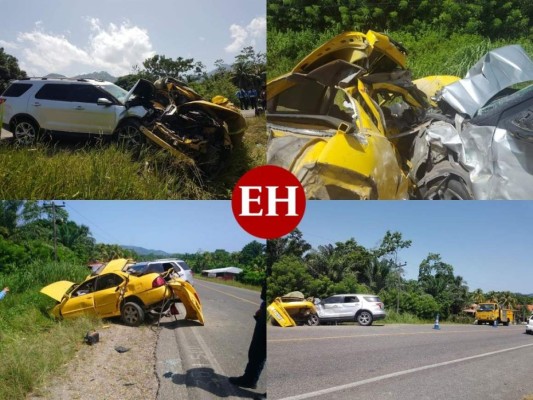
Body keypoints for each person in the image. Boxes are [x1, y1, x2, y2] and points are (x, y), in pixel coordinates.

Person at [228, 283, 266, 397]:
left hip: (276, 308)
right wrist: (263, 306)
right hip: (268, 306)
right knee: (257, 349)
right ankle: (250, 379)